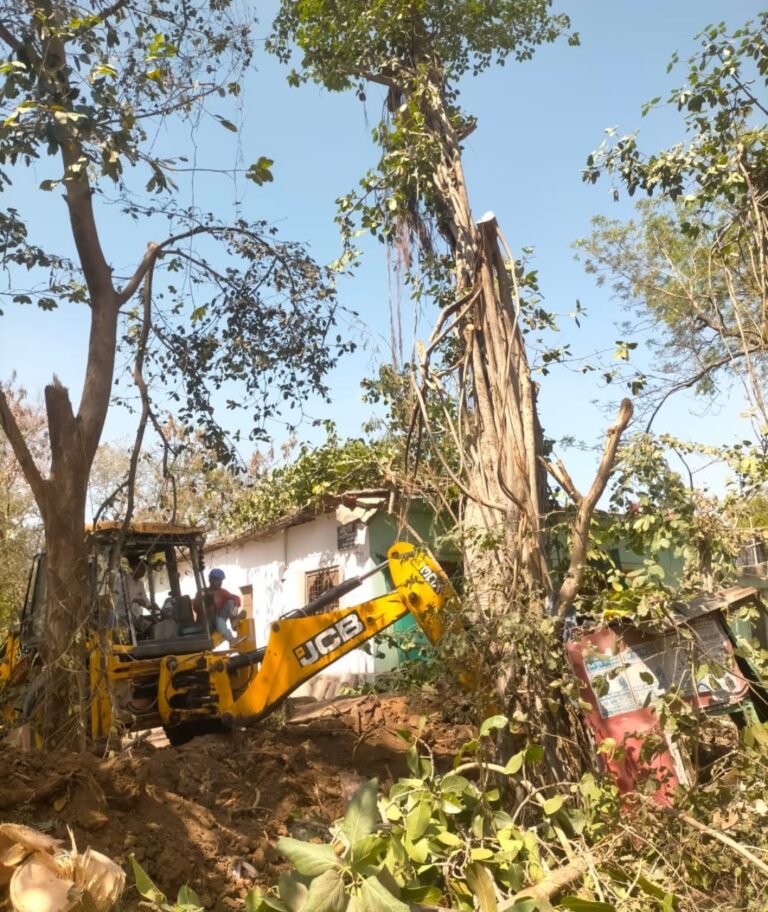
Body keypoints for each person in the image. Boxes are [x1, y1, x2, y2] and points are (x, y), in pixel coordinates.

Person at [194, 568, 244, 642]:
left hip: (218, 618)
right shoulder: (202, 592)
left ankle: (234, 621)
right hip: (207, 622)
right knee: (219, 621)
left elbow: (236, 598)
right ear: (210, 580)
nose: (220, 583)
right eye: (217, 580)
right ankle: (231, 640)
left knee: (230, 602)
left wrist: (236, 607)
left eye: (221, 580)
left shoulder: (222, 592)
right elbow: (195, 608)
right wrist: (203, 600)